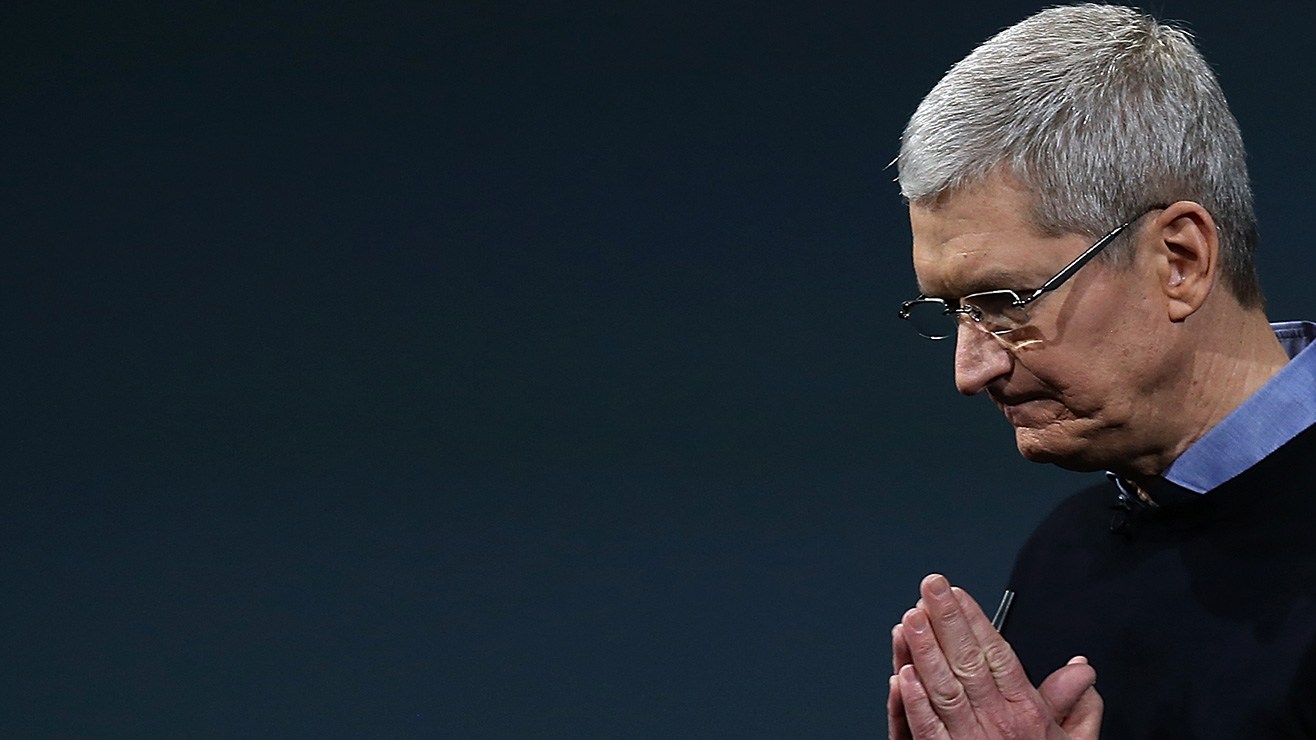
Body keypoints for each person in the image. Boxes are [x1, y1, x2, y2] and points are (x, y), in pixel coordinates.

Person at [888, 4, 1316, 738]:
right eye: (953, 311)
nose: (970, 370)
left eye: (1005, 302)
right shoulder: (1064, 555)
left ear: (1179, 262)